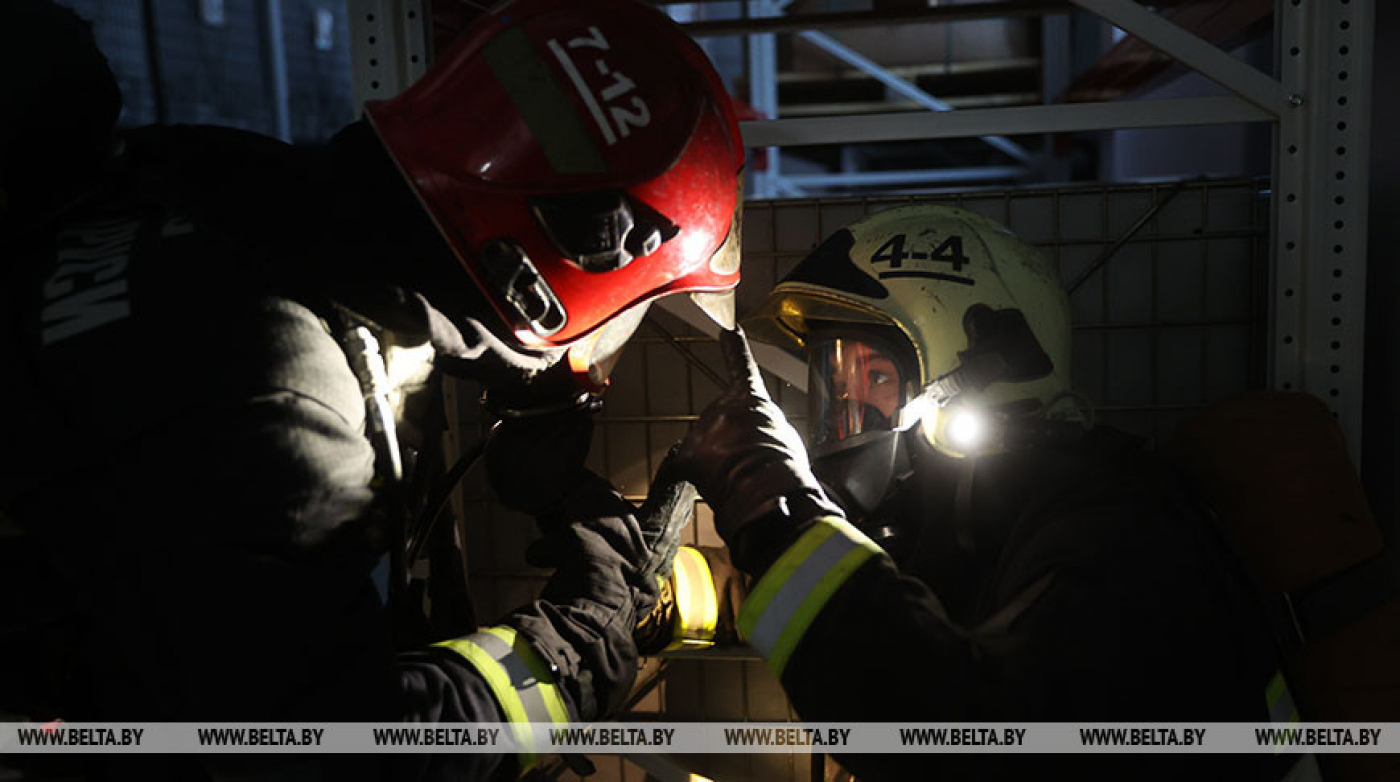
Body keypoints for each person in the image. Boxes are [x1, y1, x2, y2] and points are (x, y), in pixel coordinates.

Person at [0, 0, 743, 779]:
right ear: (558, 278)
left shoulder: (224, 179)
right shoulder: (287, 418)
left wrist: (520, 387)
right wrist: (573, 648)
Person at [672, 204, 1300, 780]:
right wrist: (670, 592)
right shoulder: (972, 523)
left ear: (976, 378)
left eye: (878, 375)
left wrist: (775, 513)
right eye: (838, 381)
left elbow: (964, 739)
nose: (848, 408)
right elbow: (896, 615)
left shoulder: (1126, 541)